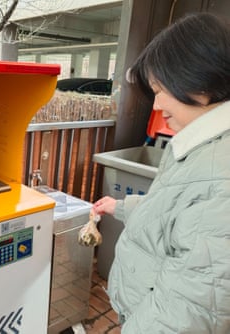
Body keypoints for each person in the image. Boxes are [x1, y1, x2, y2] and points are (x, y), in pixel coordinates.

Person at [93, 12, 230, 333]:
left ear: (201, 81)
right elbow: (178, 211)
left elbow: (188, 310)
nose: (156, 105)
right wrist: (121, 207)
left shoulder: (221, 168)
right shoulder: (202, 147)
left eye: (160, 89)